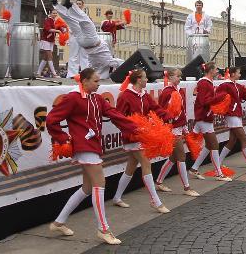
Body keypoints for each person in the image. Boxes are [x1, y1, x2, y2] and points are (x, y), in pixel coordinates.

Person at [45, 68, 138, 245]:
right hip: (83, 146)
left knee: (87, 188)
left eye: (98, 81)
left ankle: (59, 222)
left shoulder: (96, 98)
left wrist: (134, 127)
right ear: (85, 81)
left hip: (93, 145)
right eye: (95, 81)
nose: (98, 83)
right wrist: (63, 138)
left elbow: (113, 114)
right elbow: (51, 120)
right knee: (99, 183)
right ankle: (103, 229)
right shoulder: (73, 98)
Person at [112, 70, 171, 214]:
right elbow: (117, 117)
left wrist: (168, 115)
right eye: (145, 78)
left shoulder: (144, 95)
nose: (147, 80)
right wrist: (130, 129)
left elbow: (156, 108)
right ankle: (155, 201)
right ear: (138, 80)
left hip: (142, 135)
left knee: (131, 167)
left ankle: (117, 197)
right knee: (146, 163)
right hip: (132, 137)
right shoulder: (125, 96)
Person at [49, 0, 122, 79]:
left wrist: (127, 66)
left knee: (83, 21)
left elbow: (116, 63)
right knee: (73, 21)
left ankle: (62, 5)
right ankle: (56, 4)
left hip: (91, 41)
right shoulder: (99, 65)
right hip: (85, 42)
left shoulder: (103, 62)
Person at [154, 68, 201, 196]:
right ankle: (187, 188)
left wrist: (184, 125)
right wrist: (169, 125)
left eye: (181, 76)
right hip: (172, 129)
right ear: (169, 78)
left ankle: (158, 182)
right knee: (181, 156)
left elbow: (182, 111)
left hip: (179, 127)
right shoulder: (167, 92)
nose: (180, 78)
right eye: (177, 76)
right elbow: (162, 111)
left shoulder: (179, 91)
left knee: (174, 157)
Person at [188, 62, 235, 180]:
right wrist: (220, 97)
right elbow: (204, 101)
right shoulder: (204, 83)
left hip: (204, 117)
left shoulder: (206, 82)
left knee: (209, 145)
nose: (217, 72)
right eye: (216, 70)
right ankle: (218, 173)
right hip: (203, 118)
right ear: (210, 71)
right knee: (214, 144)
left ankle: (194, 169)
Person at [214, 66, 246, 172]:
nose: (240, 75)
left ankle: (218, 163)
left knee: (232, 140)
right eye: (238, 73)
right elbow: (219, 99)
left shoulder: (237, 86)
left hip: (236, 115)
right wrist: (228, 109)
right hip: (231, 115)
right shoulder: (225, 85)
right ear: (232, 74)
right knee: (244, 138)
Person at [37, 8, 60, 77]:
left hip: (51, 41)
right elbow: (49, 29)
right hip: (45, 40)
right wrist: (57, 31)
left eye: (56, 13)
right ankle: (54, 74)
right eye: (53, 13)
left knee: (45, 57)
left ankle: (38, 73)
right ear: (50, 14)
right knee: (50, 56)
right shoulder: (47, 20)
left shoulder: (54, 21)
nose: (55, 14)